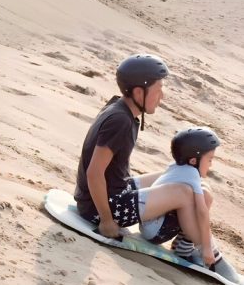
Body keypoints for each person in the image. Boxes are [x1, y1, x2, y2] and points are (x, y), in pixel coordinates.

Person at [74, 54, 212, 253]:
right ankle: (203, 250)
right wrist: (106, 220)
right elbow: (94, 173)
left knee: (189, 177)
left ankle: (186, 241)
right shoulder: (120, 121)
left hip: (109, 193)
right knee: (184, 192)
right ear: (139, 93)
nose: (162, 96)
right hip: (100, 208)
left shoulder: (119, 108)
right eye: (158, 89)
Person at [139, 127, 238, 280]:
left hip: (152, 226)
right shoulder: (191, 173)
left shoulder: (179, 168)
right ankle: (213, 256)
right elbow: (202, 212)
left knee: (204, 192)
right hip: (156, 230)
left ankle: (183, 246)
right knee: (204, 197)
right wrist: (206, 248)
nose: (211, 165)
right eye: (210, 160)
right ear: (194, 160)